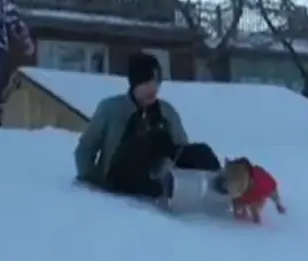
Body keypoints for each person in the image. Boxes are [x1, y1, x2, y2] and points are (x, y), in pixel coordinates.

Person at [74, 52, 222, 200]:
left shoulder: (166, 112)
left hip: (157, 178)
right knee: (143, 142)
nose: (153, 89)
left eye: (157, 82)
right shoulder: (111, 109)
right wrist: (93, 182)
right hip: (121, 176)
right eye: (147, 83)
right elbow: (86, 148)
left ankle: (224, 188)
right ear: (135, 83)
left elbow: (182, 149)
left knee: (200, 151)